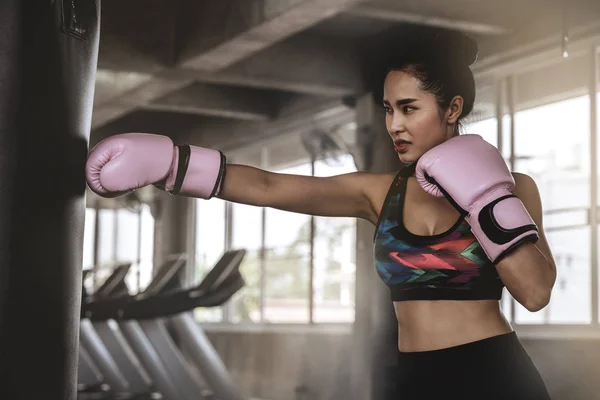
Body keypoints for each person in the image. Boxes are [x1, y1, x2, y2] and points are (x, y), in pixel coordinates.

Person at [86, 27, 556, 400]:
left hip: (495, 376)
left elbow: (534, 292)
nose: (394, 125)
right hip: (414, 379)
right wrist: (173, 164)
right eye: (388, 109)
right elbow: (271, 186)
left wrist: (485, 199)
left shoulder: (513, 190)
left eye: (409, 109)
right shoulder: (379, 193)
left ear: (452, 108)